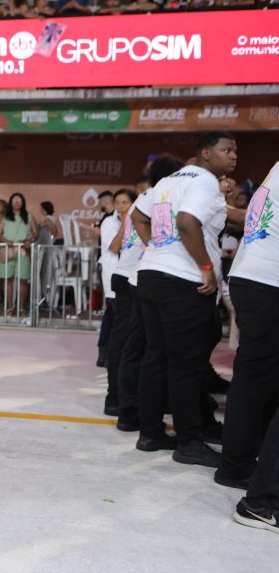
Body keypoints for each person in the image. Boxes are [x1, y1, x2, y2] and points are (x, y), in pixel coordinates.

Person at [131, 132, 238, 467]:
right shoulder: (205, 181)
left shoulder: (170, 180)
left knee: (156, 358)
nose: (233, 155)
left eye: (236, 150)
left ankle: (150, 433)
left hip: (151, 276)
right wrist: (205, 266)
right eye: (227, 150)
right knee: (187, 366)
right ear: (206, 154)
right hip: (184, 284)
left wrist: (157, 249)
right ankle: (190, 441)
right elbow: (187, 222)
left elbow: (137, 215)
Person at [110, 157, 185, 431]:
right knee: (136, 348)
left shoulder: (148, 197)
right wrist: (156, 247)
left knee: (137, 347)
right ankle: (125, 406)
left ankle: (130, 406)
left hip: (138, 275)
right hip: (139, 276)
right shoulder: (157, 197)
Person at [217, 161, 279, 489]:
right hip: (267, 281)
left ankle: (248, 458)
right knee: (254, 380)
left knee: (262, 377)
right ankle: (236, 465)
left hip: (253, 276)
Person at [100, 189, 137, 413]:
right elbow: (115, 246)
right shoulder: (108, 222)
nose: (121, 206)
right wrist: (128, 222)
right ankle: (114, 394)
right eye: (118, 202)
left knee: (116, 327)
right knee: (119, 332)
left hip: (131, 280)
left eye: (126, 202)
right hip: (116, 279)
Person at [0, 192, 38, 318]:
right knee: (8, 280)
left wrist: (29, 241)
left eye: (19, 200)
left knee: (23, 280)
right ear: (11, 203)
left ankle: (21, 307)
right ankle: (9, 307)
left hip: (23, 251)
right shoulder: (5, 217)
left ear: (23, 202)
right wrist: (6, 241)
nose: (17, 202)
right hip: (8, 250)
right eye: (14, 200)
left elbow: (36, 232)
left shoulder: (29, 216)